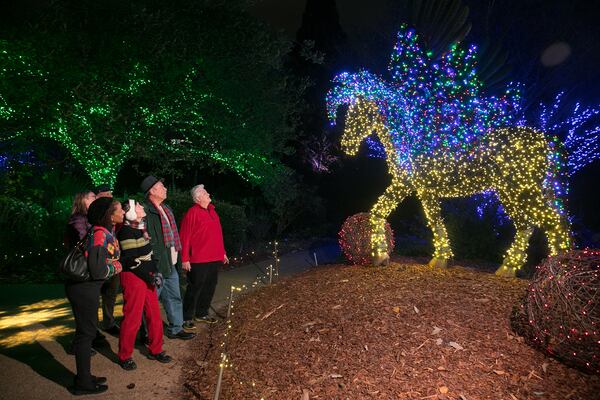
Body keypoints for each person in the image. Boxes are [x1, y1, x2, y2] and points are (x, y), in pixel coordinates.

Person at [65, 197, 123, 395]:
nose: (123, 211)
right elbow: (98, 270)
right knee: (86, 335)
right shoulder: (100, 234)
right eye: (119, 209)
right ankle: (83, 384)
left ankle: (85, 377)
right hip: (84, 289)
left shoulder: (103, 231)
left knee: (86, 333)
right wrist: (117, 266)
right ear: (110, 214)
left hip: (85, 288)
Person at [116, 199, 172, 370]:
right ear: (130, 212)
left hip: (147, 276)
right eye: (138, 206)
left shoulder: (138, 229)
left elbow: (148, 255)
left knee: (154, 314)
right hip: (134, 278)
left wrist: (156, 272)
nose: (142, 207)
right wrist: (151, 276)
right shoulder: (126, 232)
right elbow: (131, 261)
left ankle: (156, 349)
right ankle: (125, 355)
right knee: (132, 318)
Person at [141, 176, 195, 340]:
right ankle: (144, 332)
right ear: (152, 190)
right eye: (162, 186)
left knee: (174, 297)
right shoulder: (146, 211)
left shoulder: (167, 209)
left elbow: (173, 236)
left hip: (170, 262)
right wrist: (154, 261)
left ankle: (176, 328)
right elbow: (146, 239)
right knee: (149, 302)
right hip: (157, 264)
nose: (165, 188)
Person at [180, 184, 229, 330]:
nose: (208, 194)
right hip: (198, 258)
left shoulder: (213, 211)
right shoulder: (192, 213)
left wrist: (223, 252)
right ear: (198, 197)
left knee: (210, 286)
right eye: (205, 192)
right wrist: (185, 258)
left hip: (214, 257)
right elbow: (185, 236)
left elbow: (218, 234)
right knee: (195, 287)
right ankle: (187, 317)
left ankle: (202, 313)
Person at [91, 185, 120, 335]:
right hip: (99, 261)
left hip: (112, 261)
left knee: (110, 293)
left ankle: (108, 322)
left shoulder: (110, 211)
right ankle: (93, 328)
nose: (110, 196)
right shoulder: (94, 213)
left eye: (110, 193)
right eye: (106, 194)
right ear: (98, 196)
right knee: (95, 296)